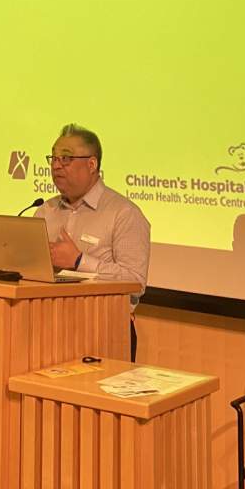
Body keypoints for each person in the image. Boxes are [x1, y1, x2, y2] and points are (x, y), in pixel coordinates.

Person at [35, 123, 150, 361]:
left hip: (104, 333)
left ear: (92, 164)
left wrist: (79, 261)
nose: (56, 165)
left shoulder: (123, 213)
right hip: (48, 328)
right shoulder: (45, 211)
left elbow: (135, 281)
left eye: (66, 158)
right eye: (53, 158)